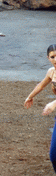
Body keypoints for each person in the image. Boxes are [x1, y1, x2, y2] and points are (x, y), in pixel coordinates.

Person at [24, 44, 56, 172]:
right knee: (54, 156)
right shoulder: (51, 72)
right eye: (52, 57)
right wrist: (30, 96)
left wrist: (54, 103)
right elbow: (41, 85)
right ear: (48, 58)